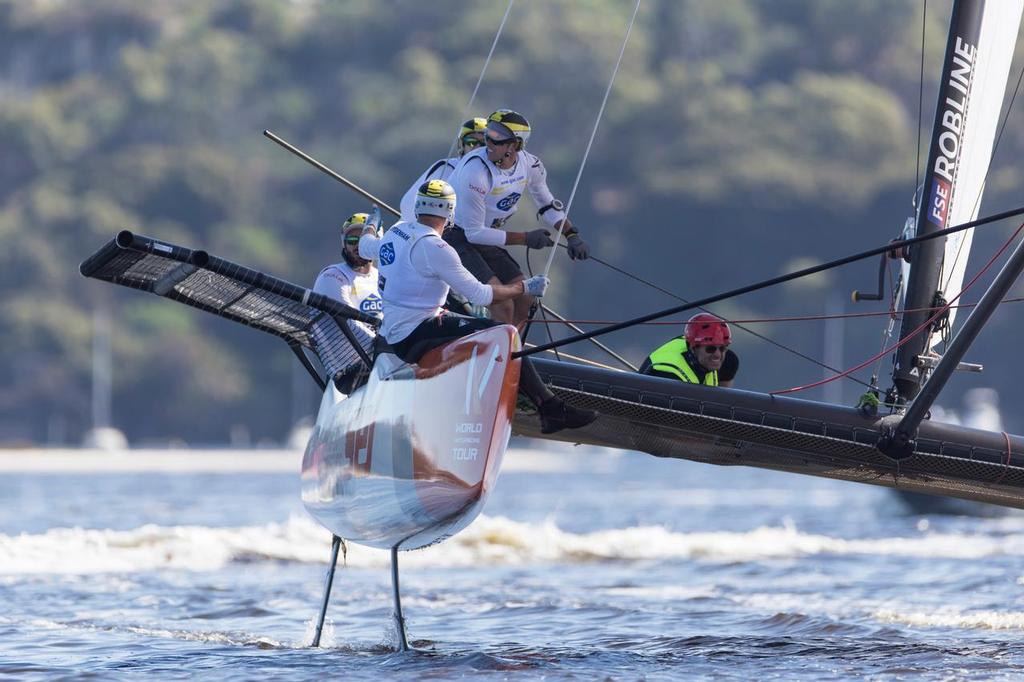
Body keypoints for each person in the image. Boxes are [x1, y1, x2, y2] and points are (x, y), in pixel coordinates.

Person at [365, 178, 597, 435]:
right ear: (451, 212)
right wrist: (525, 288)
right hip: (415, 334)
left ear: (418, 207)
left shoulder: (397, 231)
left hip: (399, 330)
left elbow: (366, 246)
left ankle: (527, 399)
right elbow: (481, 295)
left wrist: (371, 225)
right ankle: (550, 409)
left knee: (477, 325)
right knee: (505, 334)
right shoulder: (437, 247)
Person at [445, 109, 591, 327]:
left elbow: (546, 202)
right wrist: (526, 238)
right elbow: (473, 233)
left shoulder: (530, 165)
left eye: (496, 138)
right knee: (502, 302)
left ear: (514, 145)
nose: (488, 142)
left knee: (525, 297)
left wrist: (571, 234)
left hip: (485, 236)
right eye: (488, 134)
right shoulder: (475, 171)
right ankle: (495, 354)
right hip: (457, 236)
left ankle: (511, 350)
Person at [312, 212, 382, 390]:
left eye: (364, 240)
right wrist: (387, 347)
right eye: (352, 240)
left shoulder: (384, 276)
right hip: (352, 372)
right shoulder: (332, 276)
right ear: (343, 242)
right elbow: (349, 322)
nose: (358, 246)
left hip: (384, 360)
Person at [399, 117, 488, 222]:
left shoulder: (491, 177)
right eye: (471, 142)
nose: (477, 147)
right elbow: (408, 206)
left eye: (483, 144)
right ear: (462, 145)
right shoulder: (447, 168)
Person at [639, 313, 739, 387]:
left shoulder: (726, 360)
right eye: (710, 349)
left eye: (722, 348)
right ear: (693, 348)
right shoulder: (667, 375)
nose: (717, 354)